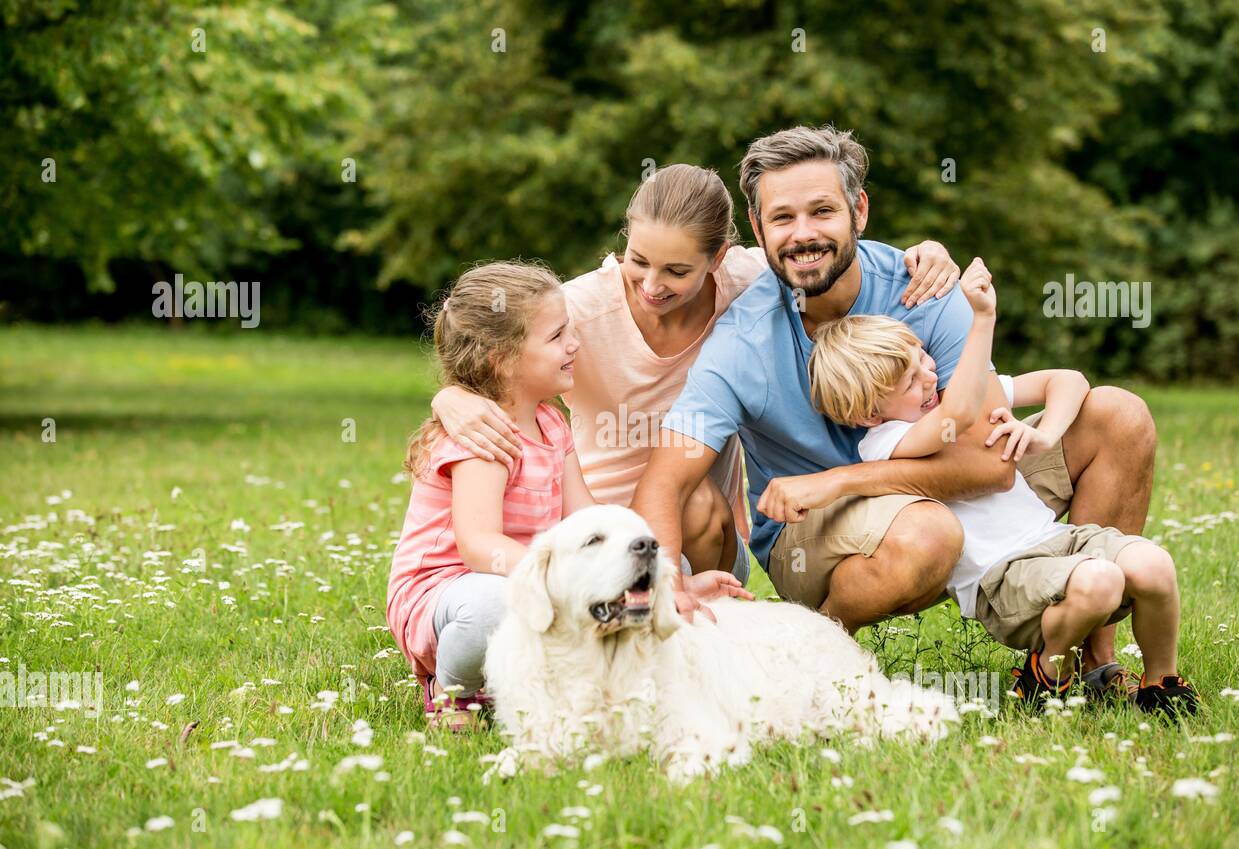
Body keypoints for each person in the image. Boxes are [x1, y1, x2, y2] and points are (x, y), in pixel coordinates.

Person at [633, 125, 1158, 701]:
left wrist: (838, 480)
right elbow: (665, 481)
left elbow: (991, 468)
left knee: (1118, 416)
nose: (803, 234)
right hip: (818, 535)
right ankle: (819, 659)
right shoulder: (743, 342)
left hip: (927, 489)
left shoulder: (924, 291)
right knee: (928, 531)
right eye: (782, 218)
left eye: (822, 211)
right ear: (757, 229)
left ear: (858, 210)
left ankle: (1089, 660)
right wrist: (665, 582)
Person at [429, 164, 959, 588]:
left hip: (703, 532)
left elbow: (818, 245)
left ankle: (699, 619)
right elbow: (485, 340)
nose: (651, 286)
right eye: (638, 261)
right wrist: (450, 396)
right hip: (593, 525)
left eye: (678, 271)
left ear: (718, 258)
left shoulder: (748, 285)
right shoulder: (577, 311)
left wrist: (927, 251)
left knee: (697, 498)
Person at [806, 260, 1199, 715]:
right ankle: (1045, 674)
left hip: (1057, 540)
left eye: (924, 358)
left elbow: (1068, 380)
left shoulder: (947, 399)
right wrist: (981, 320)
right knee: (1101, 581)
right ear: (869, 415)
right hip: (1002, 577)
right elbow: (956, 415)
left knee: (1155, 565)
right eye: (911, 382)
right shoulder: (885, 442)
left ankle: (1161, 686)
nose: (931, 377)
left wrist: (1045, 434)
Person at [386, 261, 744, 731]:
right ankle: (455, 693)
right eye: (557, 337)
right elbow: (477, 546)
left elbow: (590, 519)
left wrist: (663, 581)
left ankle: (530, 674)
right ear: (502, 358)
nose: (574, 344)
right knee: (496, 604)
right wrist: (557, 579)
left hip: (521, 578)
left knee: (629, 574)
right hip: (448, 593)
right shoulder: (484, 438)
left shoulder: (552, 424)